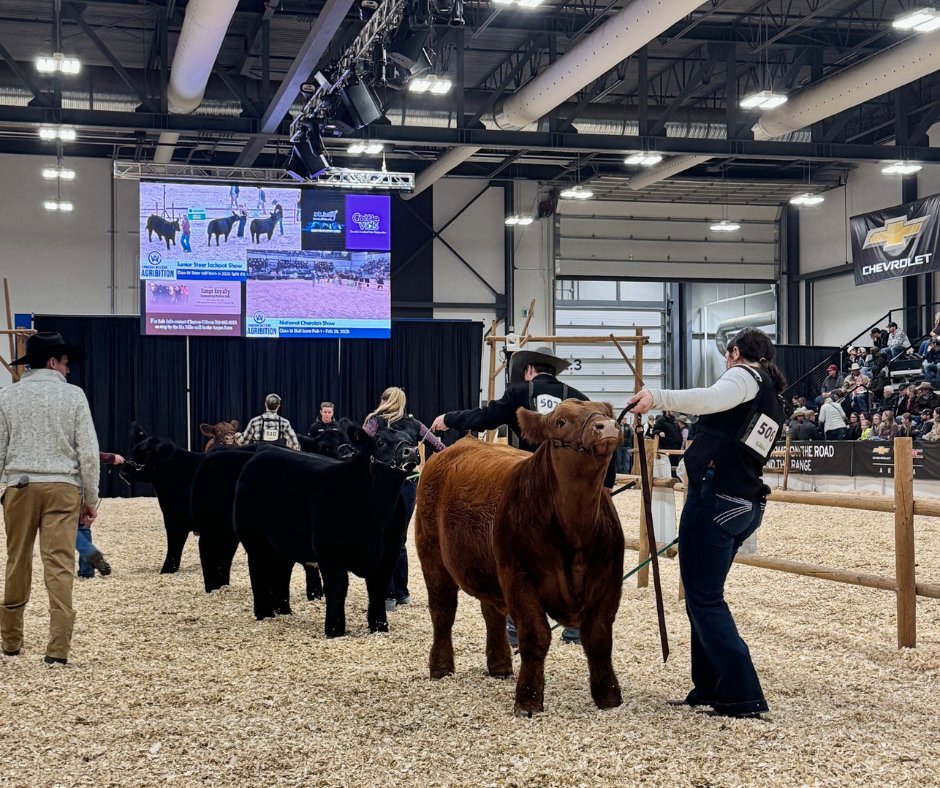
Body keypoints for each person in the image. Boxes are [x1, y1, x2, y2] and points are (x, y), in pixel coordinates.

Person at [626, 327, 785, 719]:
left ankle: (741, 693)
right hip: (743, 503)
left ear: (734, 353)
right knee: (702, 591)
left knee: (705, 597)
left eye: (726, 355)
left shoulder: (743, 377)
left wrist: (657, 396)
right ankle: (710, 685)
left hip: (717, 500)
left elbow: (711, 399)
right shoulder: (771, 395)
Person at [430, 344, 615, 645]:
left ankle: (517, 626)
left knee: (521, 555)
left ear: (529, 370)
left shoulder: (520, 393)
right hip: (573, 493)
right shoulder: (579, 399)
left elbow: (486, 418)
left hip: (532, 489)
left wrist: (450, 419)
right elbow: (603, 442)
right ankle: (574, 626)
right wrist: (604, 486)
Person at [0, 332, 100, 666]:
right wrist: (91, 498)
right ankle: (57, 648)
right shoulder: (74, 396)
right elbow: (88, 452)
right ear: (53, 361)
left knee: (17, 560)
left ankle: (11, 641)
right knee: (59, 564)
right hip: (63, 486)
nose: (68, 370)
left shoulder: (7, 396)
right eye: (66, 363)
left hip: (19, 485)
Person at [364, 387, 445, 612]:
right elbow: (439, 447)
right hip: (409, 484)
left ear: (384, 401)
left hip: (382, 485)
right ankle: (402, 593)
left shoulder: (374, 422)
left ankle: (386, 595)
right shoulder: (414, 424)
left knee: (381, 537)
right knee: (399, 539)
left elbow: (362, 447)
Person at [76, 451, 124, 579]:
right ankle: (87, 571)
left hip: (62, 486)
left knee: (64, 526)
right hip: (81, 487)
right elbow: (90, 452)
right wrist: (112, 458)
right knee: (83, 525)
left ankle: (89, 552)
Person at [236, 393, 300, 450]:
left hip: (259, 459)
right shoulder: (285, 423)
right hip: (279, 460)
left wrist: (237, 436)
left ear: (265, 404)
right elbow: (296, 446)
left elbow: (243, 443)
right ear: (278, 406)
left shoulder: (254, 421)